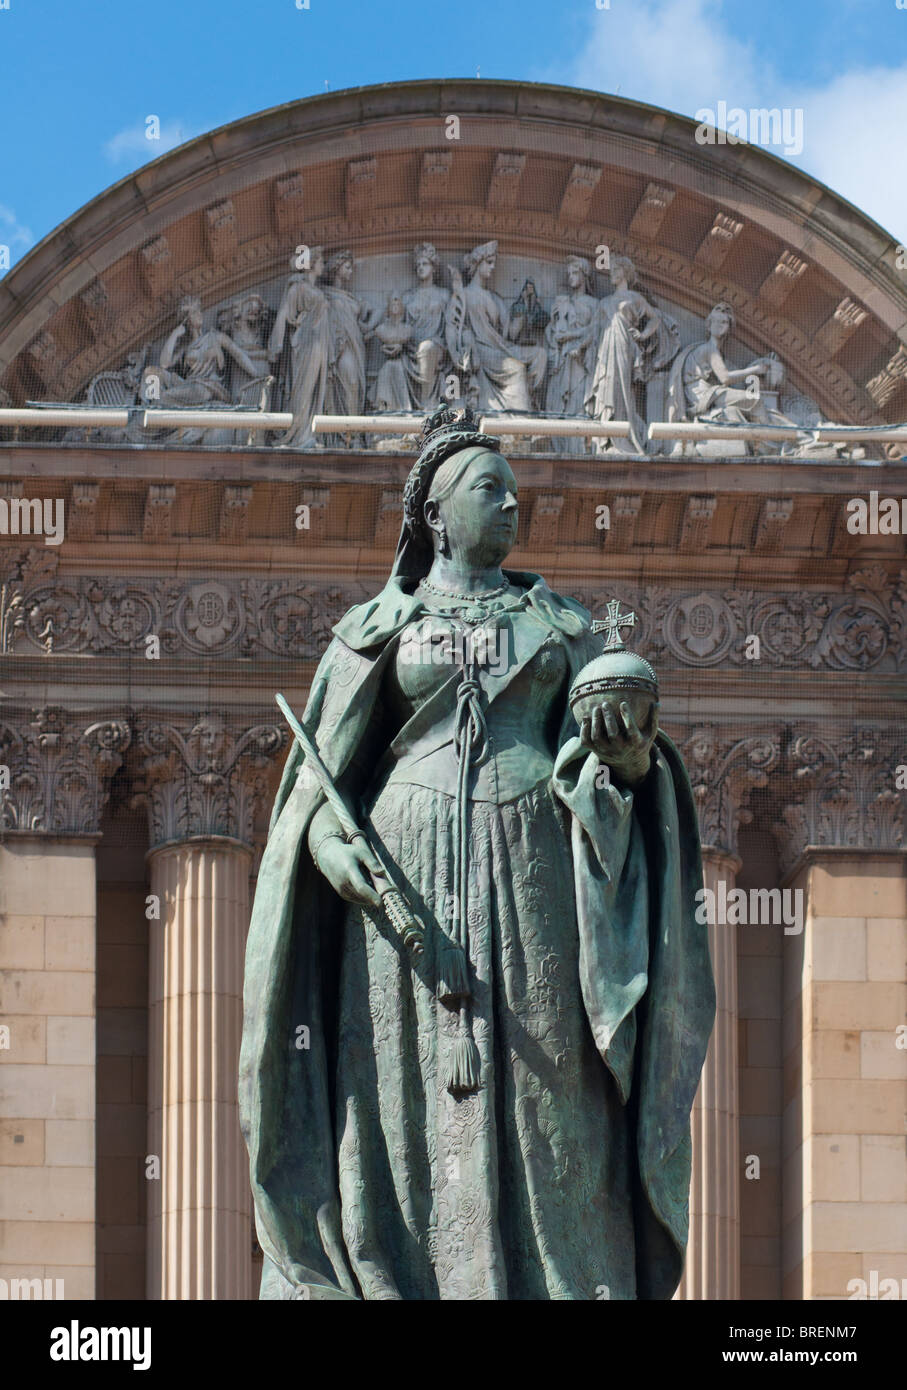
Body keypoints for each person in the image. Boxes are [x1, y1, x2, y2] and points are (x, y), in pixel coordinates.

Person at [240, 403, 714, 1301]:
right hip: (404, 894)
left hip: (539, 879)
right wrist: (327, 846)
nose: (509, 505)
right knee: (400, 1101)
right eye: (489, 490)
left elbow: (622, 766)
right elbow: (314, 793)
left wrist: (626, 757)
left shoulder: (565, 627)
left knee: (554, 1093)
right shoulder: (376, 628)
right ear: (434, 515)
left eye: (514, 492)